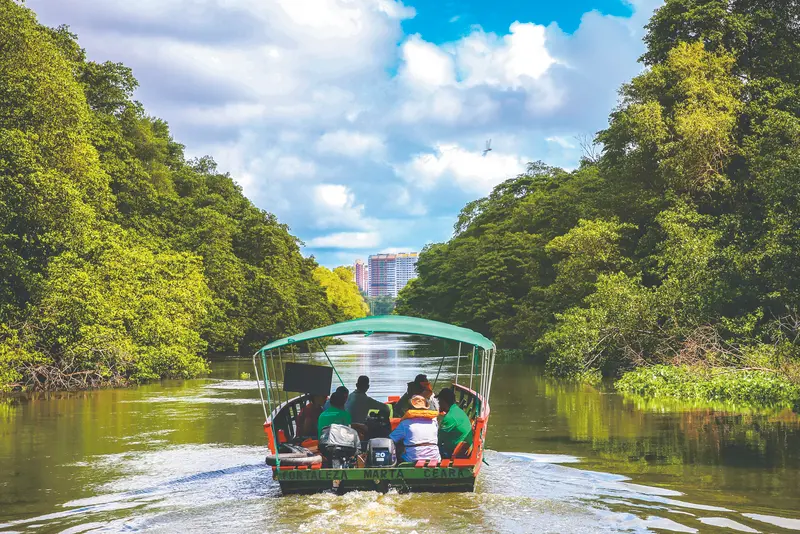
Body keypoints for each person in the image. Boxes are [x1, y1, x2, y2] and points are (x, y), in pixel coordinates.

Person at [388, 395, 441, 463]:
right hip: (435, 459)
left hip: (413, 459)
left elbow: (391, 439)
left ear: (411, 408)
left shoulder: (405, 423)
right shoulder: (434, 422)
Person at [435, 388, 473, 458]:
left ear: (443, 401)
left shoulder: (450, 417)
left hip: (455, 453)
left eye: (439, 401)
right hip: (465, 449)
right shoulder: (457, 411)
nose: (439, 403)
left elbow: (437, 440)